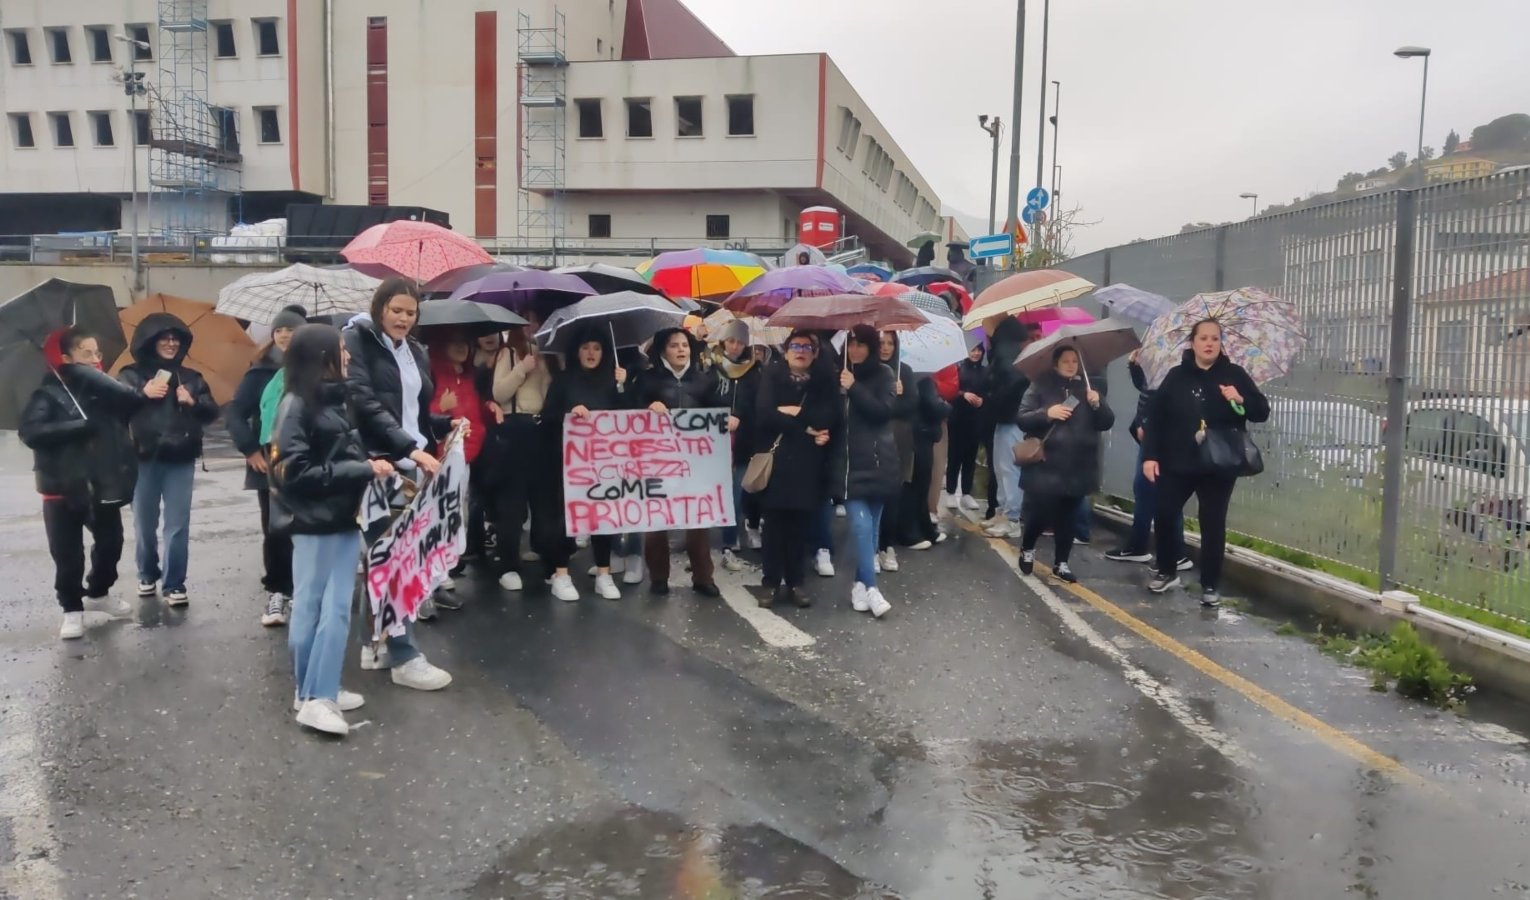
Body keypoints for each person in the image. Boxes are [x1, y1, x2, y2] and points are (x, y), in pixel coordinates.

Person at [270, 323, 394, 736]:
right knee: (318, 608)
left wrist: (372, 464)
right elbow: (293, 470)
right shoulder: (297, 405)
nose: (347, 356)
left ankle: (316, 689)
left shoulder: (332, 401)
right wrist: (362, 468)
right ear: (321, 356)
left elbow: (338, 453)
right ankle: (315, 696)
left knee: (331, 607)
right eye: (340, 350)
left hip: (340, 518)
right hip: (314, 522)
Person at [342, 278, 455, 691]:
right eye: (397, 310)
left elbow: (414, 410)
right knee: (394, 560)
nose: (404, 319)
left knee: (387, 559)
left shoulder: (417, 351)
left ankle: (376, 644)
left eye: (411, 313)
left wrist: (442, 426)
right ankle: (405, 656)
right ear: (379, 308)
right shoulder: (356, 340)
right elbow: (363, 401)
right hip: (377, 465)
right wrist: (409, 446)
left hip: (410, 465)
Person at [20, 327, 152, 639]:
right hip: (60, 487)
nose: (94, 360)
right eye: (86, 354)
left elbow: (130, 407)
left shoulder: (103, 390)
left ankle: (98, 593)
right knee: (67, 555)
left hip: (101, 484)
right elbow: (32, 433)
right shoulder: (47, 393)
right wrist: (80, 426)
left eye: (97, 353)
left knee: (111, 544)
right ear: (65, 359)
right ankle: (71, 608)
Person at [1142, 320, 1270, 607]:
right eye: (1203, 338)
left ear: (1221, 343)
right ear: (1193, 343)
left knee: (1212, 523)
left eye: (1215, 338)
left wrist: (1240, 399)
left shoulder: (1234, 374)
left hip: (1219, 462)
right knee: (1164, 512)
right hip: (1178, 460)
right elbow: (1157, 418)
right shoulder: (1176, 376)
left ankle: (1210, 584)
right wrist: (1150, 456)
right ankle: (1166, 569)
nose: (1209, 343)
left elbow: (1261, 411)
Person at [117, 313, 220, 606]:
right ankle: (147, 573)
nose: (171, 343)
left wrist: (194, 401)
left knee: (177, 525)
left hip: (181, 458)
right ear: (150, 341)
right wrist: (141, 393)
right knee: (144, 524)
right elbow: (114, 408)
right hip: (143, 458)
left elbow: (213, 413)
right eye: (164, 338)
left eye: (176, 338)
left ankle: (174, 583)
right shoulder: (130, 375)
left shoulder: (190, 378)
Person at [633, 327, 734, 597]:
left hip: (696, 460)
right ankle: (658, 577)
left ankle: (703, 577)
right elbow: (630, 413)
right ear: (662, 350)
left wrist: (728, 418)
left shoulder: (705, 379)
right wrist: (647, 408)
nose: (680, 350)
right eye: (673, 345)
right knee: (657, 521)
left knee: (699, 519)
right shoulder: (646, 380)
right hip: (658, 459)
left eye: (685, 345)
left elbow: (719, 409)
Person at [227, 305, 305, 627]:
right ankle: (278, 591)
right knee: (275, 528)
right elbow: (234, 413)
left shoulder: (315, 369)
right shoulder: (260, 371)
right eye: (279, 330)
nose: (284, 335)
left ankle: (303, 588)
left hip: (306, 457)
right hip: (269, 459)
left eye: (291, 329)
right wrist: (249, 449)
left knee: (306, 526)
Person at [1014, 347, 1115, 584]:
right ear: (1056, 364)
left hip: (1078, 464)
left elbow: (1106, 422)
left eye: (1074, 361)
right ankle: (1028, 546)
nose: (1071, 365)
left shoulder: (1089, 388)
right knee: (1041, 512)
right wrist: (1047, 412)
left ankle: (1061, 563)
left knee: (1068, 517)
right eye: (1065, 361)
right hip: (1048, 463)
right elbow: (1022, 418)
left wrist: (1098, 403)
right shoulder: (1041, 385)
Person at [542, 326, 628, 601]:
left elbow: (628, 418)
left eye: (597, 348)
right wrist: (570, 413)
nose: (592, 353)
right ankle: (561, 573)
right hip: (567, 462)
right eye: (586, 347)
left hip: (603, 462)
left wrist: (624, 386)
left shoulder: (612, 381)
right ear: (576, 351)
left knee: (602, 516)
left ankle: (604, 573)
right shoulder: (563, 381)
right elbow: (548, 416)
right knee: (562, 517)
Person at [754, 331, 840, 608]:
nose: (801, 351)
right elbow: (764, 414)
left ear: (815, 354)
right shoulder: (771, 375)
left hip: (808, 462)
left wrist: (796, 413)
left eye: (807, 347)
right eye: (795, 345)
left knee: (799, 525)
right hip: (776, 459)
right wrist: (805, 427)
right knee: (773, 524)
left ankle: (795, 581)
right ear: (785, 350)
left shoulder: (824, 382)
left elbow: (829, 416)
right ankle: (770, 581)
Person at [834, 325, 900, 618]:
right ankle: (872, 588)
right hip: (848, 465)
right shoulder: (839, 374)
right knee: (860, 525)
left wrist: (854, 387)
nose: (856, 349)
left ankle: (860, 585)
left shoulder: (884, 374)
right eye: (852, 343)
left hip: (878, 460)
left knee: (872, 528)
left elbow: (881, 412)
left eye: (862, 344)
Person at [1105, 350, 1190, 572]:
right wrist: (1134, 366)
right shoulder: (1165, 362)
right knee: (1152, 492)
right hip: (1152, 434)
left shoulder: (1178, 367)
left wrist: (1146, 423)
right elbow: (1146, 387)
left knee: (1151, 492)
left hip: (1159, 437)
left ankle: (1148, 547)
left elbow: (1160, 399)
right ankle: (1163, 549)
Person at [491, 316, 554, 593]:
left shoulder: (544, 354)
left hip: (539, 428)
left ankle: (544, 553)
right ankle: (508, 565)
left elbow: (548, 395)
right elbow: (498, 393)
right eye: (526, 321)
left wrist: (546, 370)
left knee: (542, 497)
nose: (532, 326)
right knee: (512, 502)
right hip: (514, 427)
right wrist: (521, 370)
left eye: (536, 321)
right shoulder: (507, 352)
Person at [425, 327, 487, 606]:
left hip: (465, 454)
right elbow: (423, 414)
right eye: (455, 342)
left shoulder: (467, 374)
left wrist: (490, 407)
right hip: (441, 456)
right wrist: (441, 405)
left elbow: (473, 410)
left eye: (466, 342)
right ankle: (436, 573)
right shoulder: (433, 374)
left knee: (455, 511)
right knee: (440, 512)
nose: (462, 347)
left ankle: (444, 567)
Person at [710, 319, 762, 569]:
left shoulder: (754, 370)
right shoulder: (710, 366)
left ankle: (730, 538)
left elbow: (756, 403)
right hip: (713, 439)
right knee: (722, 493)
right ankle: (727, 540)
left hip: (742, 441)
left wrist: (739, 414)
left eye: (740, 342)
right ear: (723, 341)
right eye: (731, 340)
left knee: (736, 493)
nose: (735, 346)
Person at [982, 318, 1033, 538]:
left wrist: (994, 397)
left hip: (1009, 418)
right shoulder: (1012, 353)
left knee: (1008, 469)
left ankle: (1011, 518)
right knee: (1002, 467)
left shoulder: (1005, 354)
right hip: (1008, 418)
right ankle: (1003, 512)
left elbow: (1008, 384)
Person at [875, 330, 917, 572]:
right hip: (873, 438)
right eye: (881, 342)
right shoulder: (868, 371)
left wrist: (900, 396)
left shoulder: (905, 371)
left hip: (899, 437)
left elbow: (913, 404)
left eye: (891, 343)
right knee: (873, 493)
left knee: (894, 493)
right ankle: (873, 545)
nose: (886, 347)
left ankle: (887, 545)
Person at [899, 371, 951, 549]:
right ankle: (911, 532)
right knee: (918, 485)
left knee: (916, 484)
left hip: (909, 434)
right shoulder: (923, 380)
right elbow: (935, 406)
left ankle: (924, 528)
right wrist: (946, 405)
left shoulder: (902, 375)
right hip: (920, 435)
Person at [944, 343, 989, 510]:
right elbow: (951, 391)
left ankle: (966, 493)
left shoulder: (985, 371)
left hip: (976, 419)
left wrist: (983, 400)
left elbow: (989, 392)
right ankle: (950, 491)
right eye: (973, 349)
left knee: (970, 457)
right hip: (957, 418)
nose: (976, 353)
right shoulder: (958, 369)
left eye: (979, 350)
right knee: (954, 456)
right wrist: (964, 394)